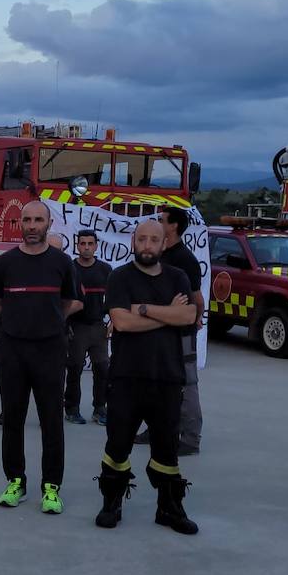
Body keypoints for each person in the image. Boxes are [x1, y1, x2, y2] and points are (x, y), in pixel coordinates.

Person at [96, 219, 199, 535]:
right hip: (127, 377)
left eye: (154, 240)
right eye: (142, 239)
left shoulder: (178, 277)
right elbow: (121, 322)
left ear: (164, 243)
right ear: (133, 241)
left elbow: (189, 315)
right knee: (118, 444)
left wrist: (142, 309)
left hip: (168, 377)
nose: (148, 245)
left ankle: (169, 508)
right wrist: (164, 313)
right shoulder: (120, 278)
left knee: (166, 448)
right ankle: (112, 502)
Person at [0, 200, 80, 514]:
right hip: (13, 350)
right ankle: (16, 481)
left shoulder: (62, 263)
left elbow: (68, 301)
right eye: (26, 219)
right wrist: (18, 321)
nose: (31, 226)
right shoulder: (5, 263)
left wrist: (48, 321)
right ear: (20, 224)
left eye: (37, 220)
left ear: (48, 223)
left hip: (50, 350)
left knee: (51, 420)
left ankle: (51, 487)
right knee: (13, 418)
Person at [135, 207, 205, 455]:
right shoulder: (160, 255)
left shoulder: (185, 260)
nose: (157, 223)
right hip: (160, 331)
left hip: (181, 333)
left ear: (173, 226)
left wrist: (192, 321)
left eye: (161, 220)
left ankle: (190, 437)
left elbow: (197, 299)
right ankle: (155, 428)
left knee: (185, 383)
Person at [64, 230, 112, 426]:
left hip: (98, 327)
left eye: (90, 244)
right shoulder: (71, 269)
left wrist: (113, 321)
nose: (86, 247)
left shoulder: (105, 270)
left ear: (96, 246)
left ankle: (100, 409)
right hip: (76, 327)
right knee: (74, 368)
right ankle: (72, 409)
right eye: (82, 243)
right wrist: (66, 324)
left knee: (102, 368)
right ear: (77, 246)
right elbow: (64, 298)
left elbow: (113, 298)